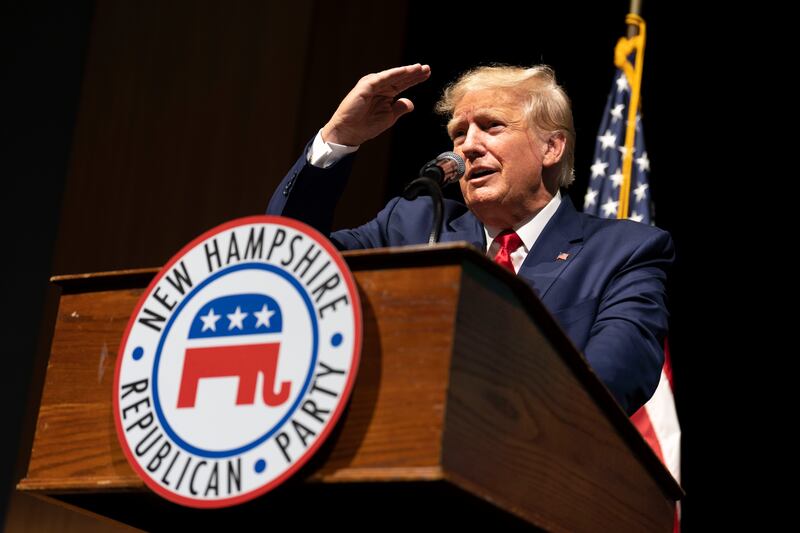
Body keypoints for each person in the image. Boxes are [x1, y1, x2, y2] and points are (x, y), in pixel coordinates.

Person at [268, 63, 673, 415]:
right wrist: (340, 137)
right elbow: (288, 263)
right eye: (458, 133)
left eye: (492, 126)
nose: (469, 147)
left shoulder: (623, 251)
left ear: (551, 147)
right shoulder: (413, 224)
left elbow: (615, 375)